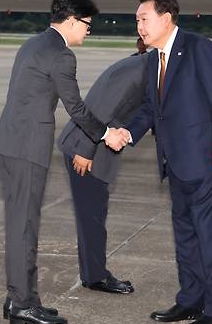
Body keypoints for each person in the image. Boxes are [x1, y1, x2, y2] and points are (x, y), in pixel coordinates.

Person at [0, 0, 129, 324]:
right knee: (24, 228)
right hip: (27, 149)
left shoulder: (34, 43)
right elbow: (77, 108)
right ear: (70, 21)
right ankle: (23, 303)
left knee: (20, 224)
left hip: (11, 144)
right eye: (86, 25)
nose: (87, 31)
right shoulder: (61, 55)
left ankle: (22, 297)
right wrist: (108, 132)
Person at [119, 0, 212, 324]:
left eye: (143, 18)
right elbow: (149, 110)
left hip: (207, 162)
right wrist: (128, 134)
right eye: (137, 20)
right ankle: (190, 299)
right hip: (176, 164)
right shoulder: (153, 59)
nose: (139, 25)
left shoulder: (198, 47)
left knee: (210, 239)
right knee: (185, 237)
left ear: (165, 17)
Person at [57, 53, 149, 296]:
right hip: (88, 151)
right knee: (92, 217)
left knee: (93, 215)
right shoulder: (135, 73)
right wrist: (85, 150)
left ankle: (92, 273)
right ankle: (96, 276)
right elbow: (99, 109)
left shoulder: (140, 67)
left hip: (94, 149)